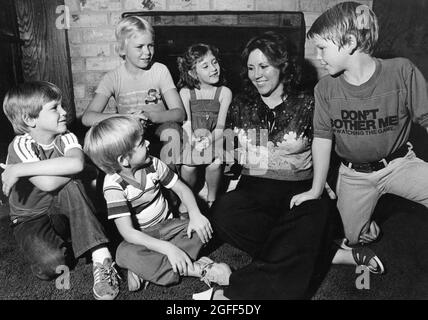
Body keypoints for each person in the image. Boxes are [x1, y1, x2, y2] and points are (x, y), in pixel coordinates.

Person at [291, 2, 428, 264]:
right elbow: (322, 138)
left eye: (322, 48)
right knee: (352, 238)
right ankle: (368, 223)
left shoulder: (401, 71)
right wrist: (315, 189)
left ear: (350, 42)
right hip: (354, 174)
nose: (318, 56)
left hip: (399, 164)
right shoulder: (325, 89)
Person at [209, 31, 332, 300]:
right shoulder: (241, 104)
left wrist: (323, 187)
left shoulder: (308, 102)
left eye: (264, 66)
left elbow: (326, 147)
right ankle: (316, 253)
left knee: (316, 213)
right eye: (251, 68)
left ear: (282, 65)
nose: (257, 75)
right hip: (254, 189)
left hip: (297, 191)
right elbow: (227, 149)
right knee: (222, 212)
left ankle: (239, 286)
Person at [0, 81, 120, 300]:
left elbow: (75, 165)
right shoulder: (19, 145)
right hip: (30, 218)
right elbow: (46, 183)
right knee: (52, 266)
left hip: (62, 208)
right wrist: (79, 170)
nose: (64, 112)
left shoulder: (66, 137)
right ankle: (76, 241)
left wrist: (19, 168)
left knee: (72, 184)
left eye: (61, 105)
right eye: (55, 108)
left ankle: (101, 257)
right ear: (29, 119)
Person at [84, 115, 231, 292]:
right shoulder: (113, 186)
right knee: (122, 254)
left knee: (203, 229)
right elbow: (128, 233)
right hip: (141, 238)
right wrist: (169, 249)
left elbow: (182, 189)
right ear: (124, 160)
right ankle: (197, 269)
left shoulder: (153, 163)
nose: (147, 143)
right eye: (140, 143)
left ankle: (146, 270)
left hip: (169, 226)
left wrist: (195, 214)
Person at [81, 16, 185, 167]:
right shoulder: (113, 78)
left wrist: (150, 116)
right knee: (103, 138)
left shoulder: (159, 70)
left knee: (172, 132)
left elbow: (180, 113)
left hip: (158, 126)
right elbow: (87, 117)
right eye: (140, 46)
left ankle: (170, 184)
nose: (147, 52)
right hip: (129, 129)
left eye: (151, 45)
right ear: (122, 49)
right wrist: (126, 118)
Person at [176, 43, 232, 210]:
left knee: (215, 163)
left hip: (214, 136)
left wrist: (208, 141)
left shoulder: (224, 92)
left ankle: (212, 198)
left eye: (215, 62)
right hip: (192, 136)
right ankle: (187, 197)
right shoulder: (185, 92)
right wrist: (194, 141)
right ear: (193, 73)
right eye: (205, 66)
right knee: (188, 164)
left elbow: (221, 126)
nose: (213, 69)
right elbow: (186, 122)